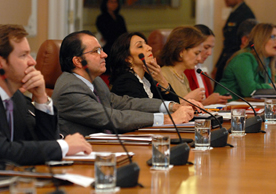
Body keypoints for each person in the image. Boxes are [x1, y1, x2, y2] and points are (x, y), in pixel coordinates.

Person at [0, 25, 92, 169]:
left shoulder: (15, 96)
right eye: (23, 55)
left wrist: (41, 99)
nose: (32, 61)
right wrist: (64, 146)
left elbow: (44, 143)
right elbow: (1, 152)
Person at [52, 30, 195, 137]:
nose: (104, 55)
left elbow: (125, 103)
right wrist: (166, 119)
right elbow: (113, 117)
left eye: (101, 50)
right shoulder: (69, 88)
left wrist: (171, 106)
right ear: (78, 61)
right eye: (96, 51)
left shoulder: (95, 81)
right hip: (83, 157)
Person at [109, 32, 204, 109]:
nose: (149, 48)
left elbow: (174, 104)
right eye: (140, 46)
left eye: (146, 44)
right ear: (128, 58)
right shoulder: (125, 82)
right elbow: (146, 110)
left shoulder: (148, 79)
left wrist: (161, 79)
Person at [214, 23, 276, 100]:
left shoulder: (266, 61)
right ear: (260, 38)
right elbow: (249, 90)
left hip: (246, 107)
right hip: (225, 107)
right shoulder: (244, 58)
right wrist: (272, 86)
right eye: (273, 37)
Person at [213, 0, 256, 84]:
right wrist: (218, 65)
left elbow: (235, 43)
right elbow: (227, 43)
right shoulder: (235, 12)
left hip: (235, 58)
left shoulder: (245, 13)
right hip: (228, 58)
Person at [184, 25, 232, 105]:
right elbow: (183, 105)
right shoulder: (185, 70)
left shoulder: (200, 70)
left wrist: (217, 99)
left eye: (211, 48)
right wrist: (207, 102)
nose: (210, 53)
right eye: (206, 47)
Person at [159, 26, 207, 102]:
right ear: (181, 52)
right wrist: (190, 98)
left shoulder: (182, 76)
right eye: (196, 53)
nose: (199, 58)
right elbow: (165, 109)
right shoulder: (162, 75)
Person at [96, 0, 127, 73]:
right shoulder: (101, 18)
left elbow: (125, 33)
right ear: (106, 3)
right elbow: (107, 35)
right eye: (111, 1)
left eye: (115, 2)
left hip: (120, 47)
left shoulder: (120, 18)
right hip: (109, 47)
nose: (114, 4)